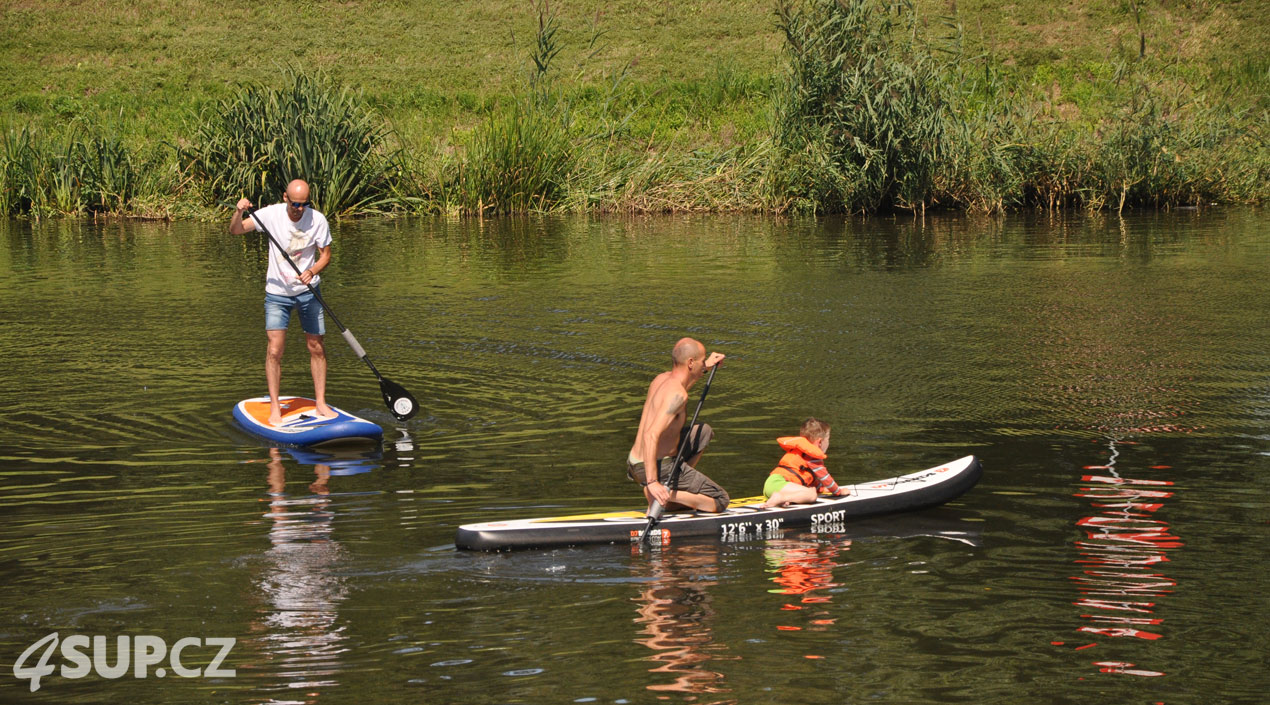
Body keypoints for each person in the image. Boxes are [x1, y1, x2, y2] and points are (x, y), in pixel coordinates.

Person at [230, 180, 334, 426]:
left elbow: (326, 255)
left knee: (316, 347)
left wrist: (313, 270)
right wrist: (238, 212)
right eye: (295, 203)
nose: (299, 208)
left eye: (304, 204)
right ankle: (275, 406)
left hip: (309, 291)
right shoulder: (270, 214)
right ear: (285, 197)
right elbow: (236, 230)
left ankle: (320, 402)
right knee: (275, 349)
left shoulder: (317, 220)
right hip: (277, 293)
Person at [627, 338, 729, 513]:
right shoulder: (678, 395)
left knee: (703, 432)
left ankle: (673, 490)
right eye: (702, 360)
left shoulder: (661, 380)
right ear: (690, 363)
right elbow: (650, 435)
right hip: (655, 467)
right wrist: (652, 483)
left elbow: (681, 385)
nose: (704, 363)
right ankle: (664, 494)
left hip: (635, 462)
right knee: (720, 499)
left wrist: (706, 367)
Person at [760, 417, 848, 508]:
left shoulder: (804, 453)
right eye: (828, 439)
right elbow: (825, 477)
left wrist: (821, 489)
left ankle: (784, 499)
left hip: (772, 484)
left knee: (811, 489)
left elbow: (810, 478)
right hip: (779, 484)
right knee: (812, 494)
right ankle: (781, 497)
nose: (829, 442)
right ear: (820, 442)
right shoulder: (813, 457)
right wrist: (838, 491)